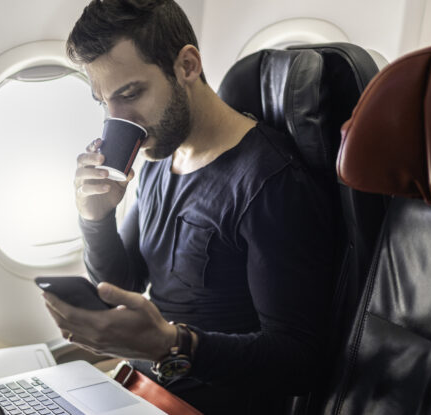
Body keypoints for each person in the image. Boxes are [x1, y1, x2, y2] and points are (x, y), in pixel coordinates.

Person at [42, 0, 338, 412]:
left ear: (187, 66)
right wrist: (97, 217)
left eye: (130, 94)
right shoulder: (159, 163)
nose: (118, 121)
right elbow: (120, 284)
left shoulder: (269, 182)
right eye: (104, 102)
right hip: (137, 390)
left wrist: (171, 345)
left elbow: (297, 362)